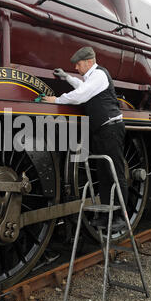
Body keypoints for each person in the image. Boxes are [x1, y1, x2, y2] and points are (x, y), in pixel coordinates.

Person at [41, 46, 127, 231]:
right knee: (103, 174)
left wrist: (56, 100)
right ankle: (107, 216)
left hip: (110, 129)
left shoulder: (100, 75)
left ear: (89, 62)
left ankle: (121, 215)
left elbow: (81, 95)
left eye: (78, 65)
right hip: (101, 130)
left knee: (115, 172)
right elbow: (82, 87)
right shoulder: (92, 78)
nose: (77, 68)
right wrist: (67, 78)